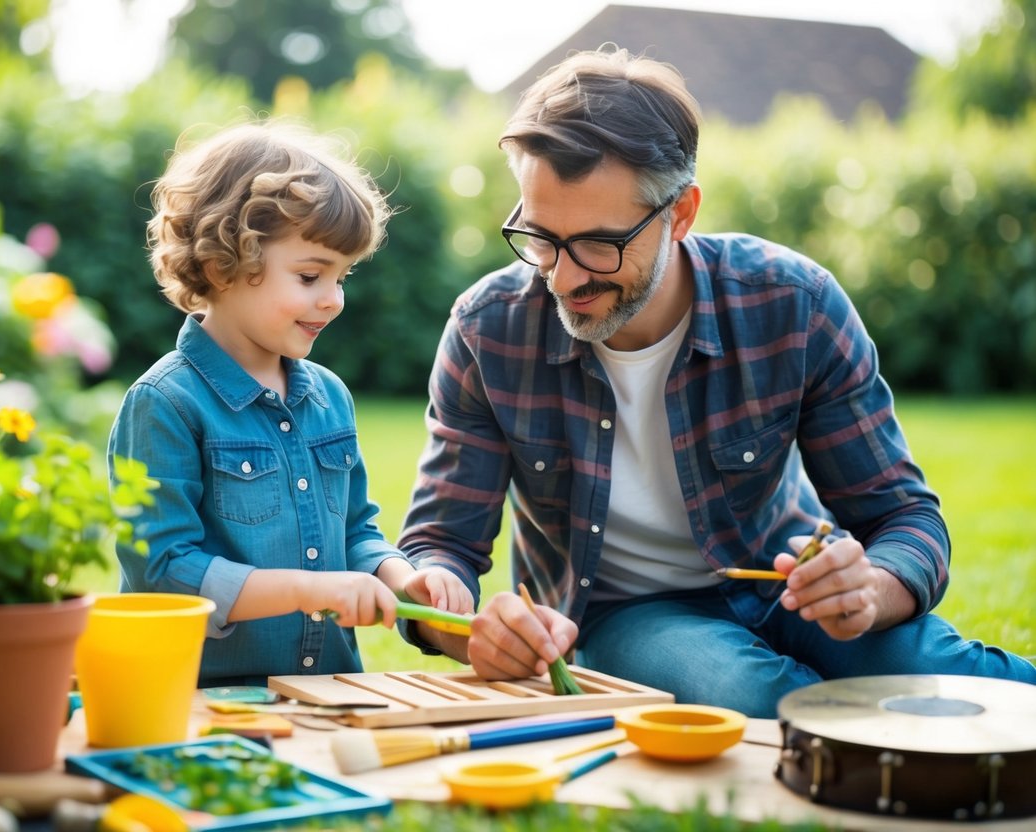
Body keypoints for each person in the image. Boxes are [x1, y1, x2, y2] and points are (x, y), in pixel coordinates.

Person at [398, 46, 1036, 717]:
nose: (561, 277)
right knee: (762, 701)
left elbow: (901, 515)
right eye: (538, 236)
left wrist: (871, 589)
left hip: (787, 587)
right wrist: (464, 629)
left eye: (597, 245)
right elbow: (439, 546)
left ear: (680, 214)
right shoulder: (486, 331)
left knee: (953, 680)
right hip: (621, 616)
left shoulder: (793, 303)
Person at [109, 120, 472, 688]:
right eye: (309, 276)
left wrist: (402, 578)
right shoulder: (165, 404)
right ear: (221, 264)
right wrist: (310, 590)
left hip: (327, 696)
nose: (333, 300)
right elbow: (163, 572)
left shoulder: (329, 398)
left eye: (342, 277)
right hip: (206, 706)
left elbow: (354, 532)